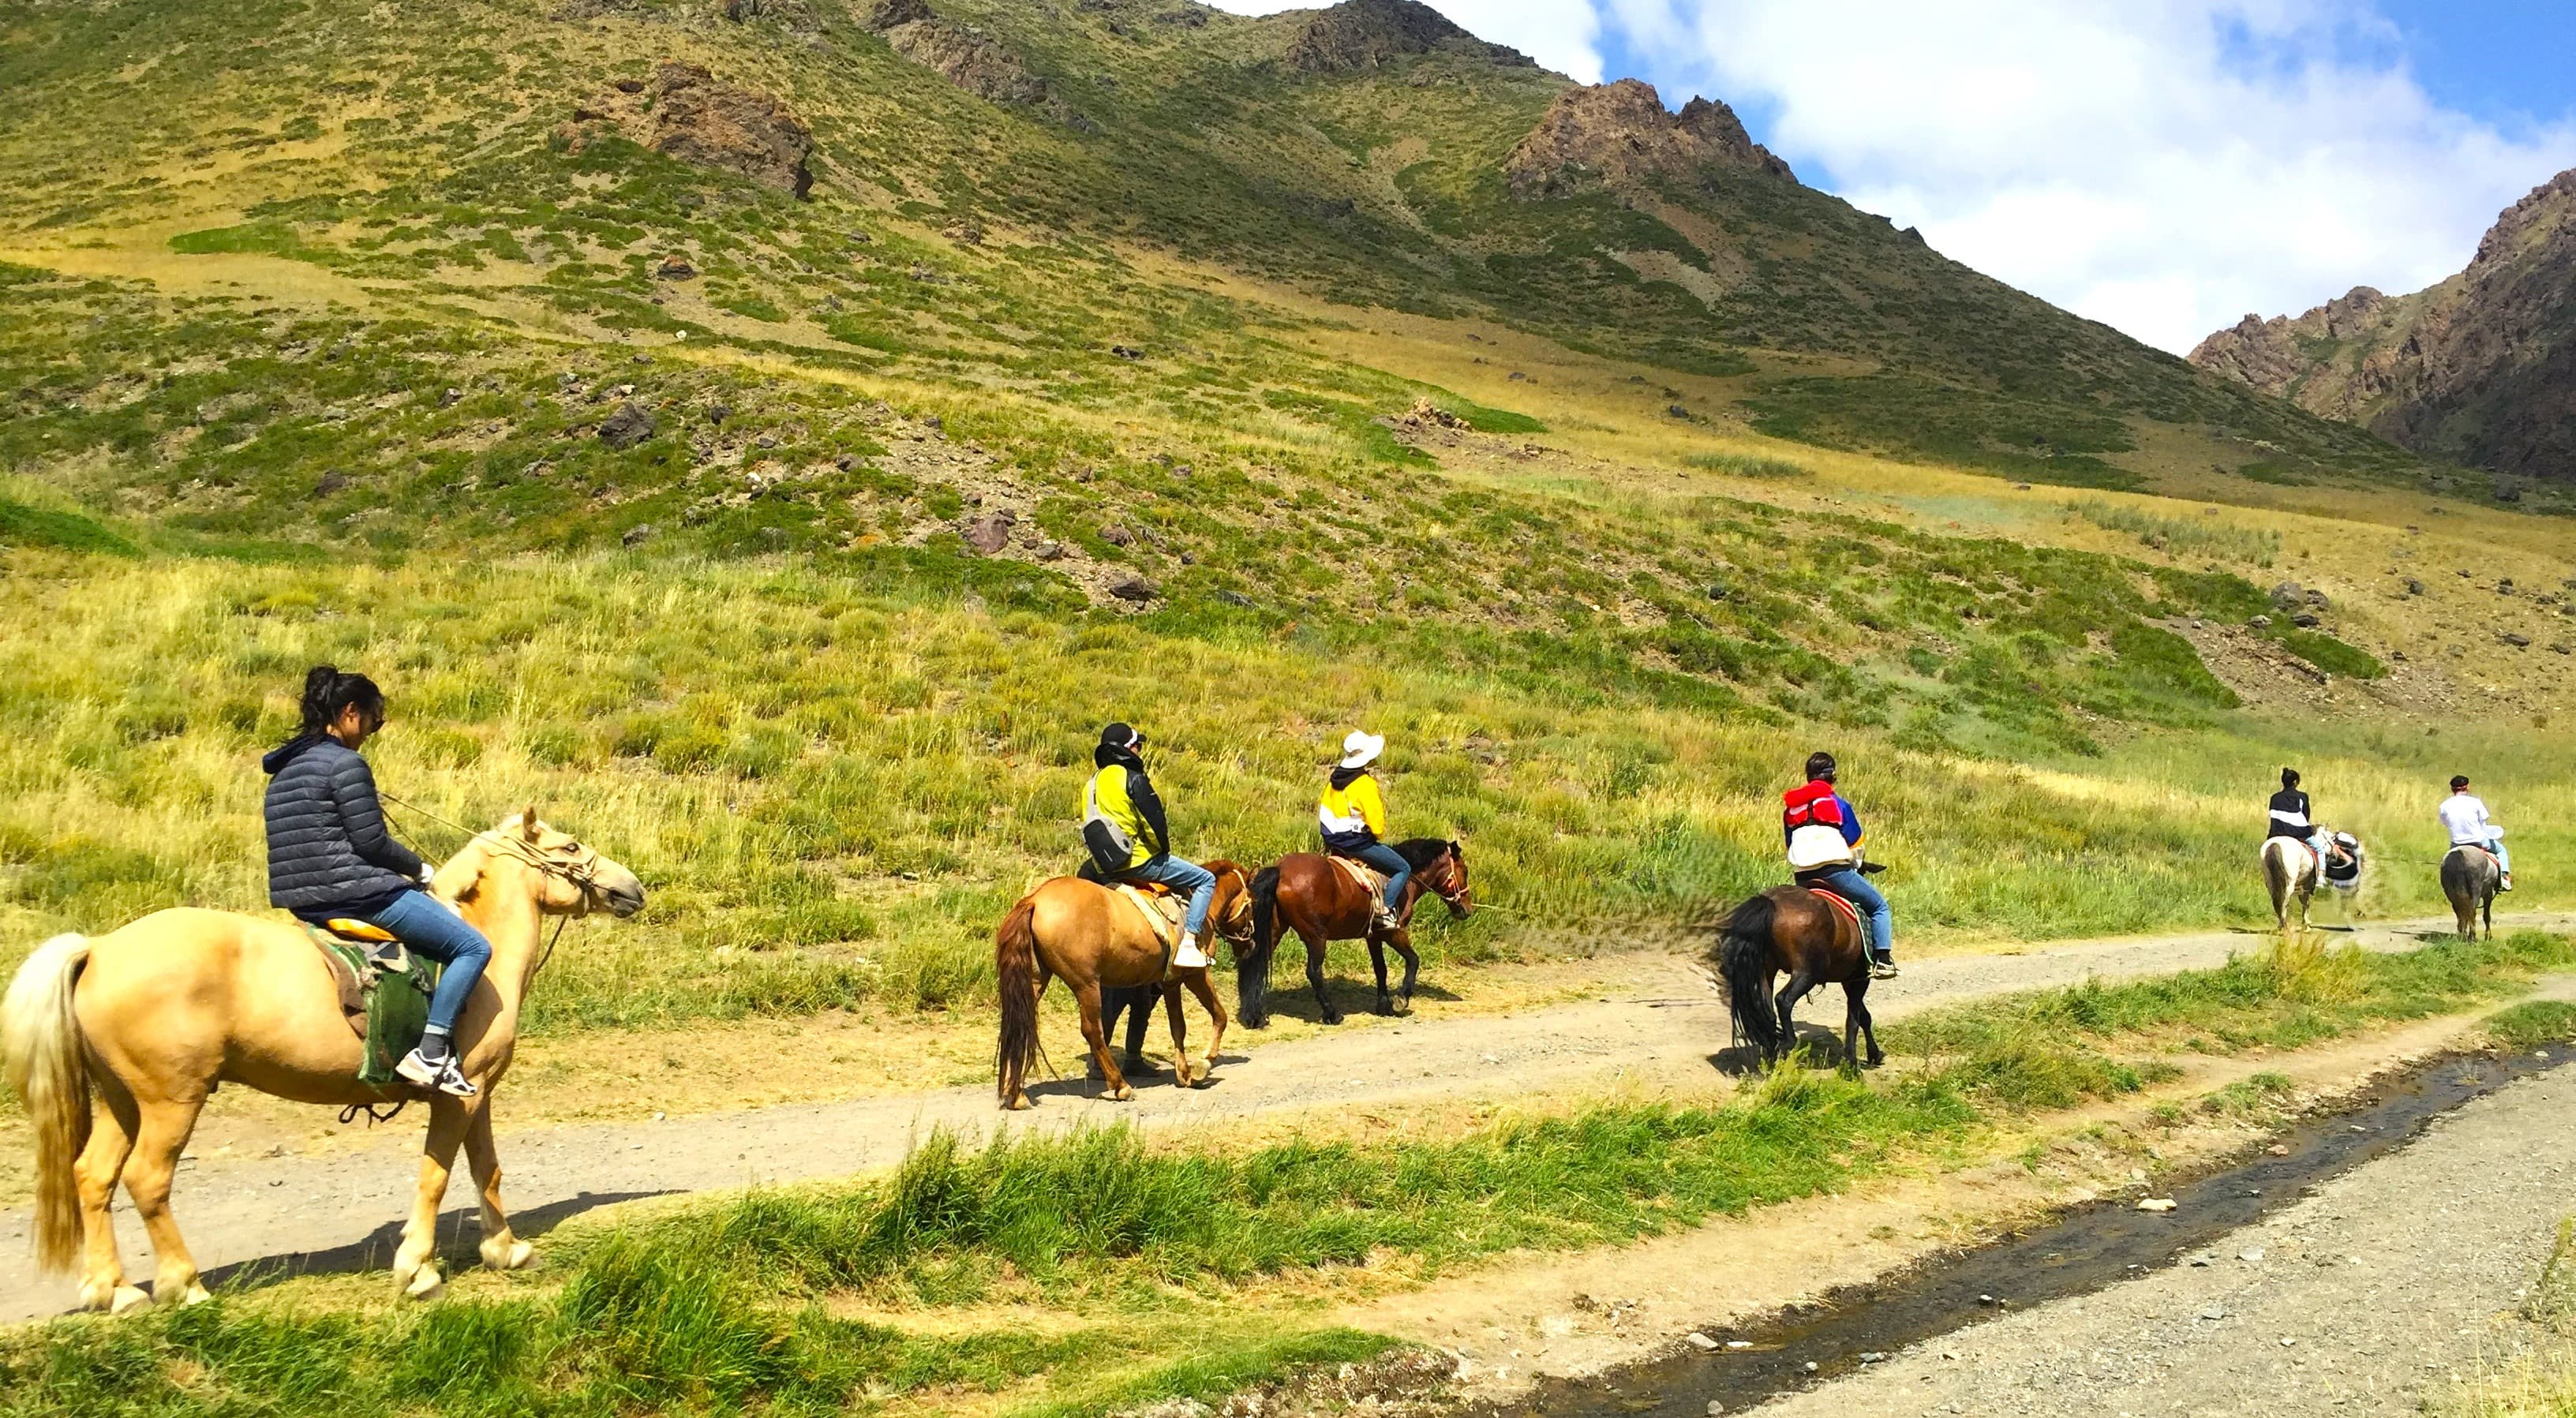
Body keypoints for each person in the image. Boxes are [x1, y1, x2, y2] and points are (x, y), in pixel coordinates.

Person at [263, 666, 490, 1097]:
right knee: (472, 946)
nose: (371, 732)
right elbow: (371, 842)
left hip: (304, 899)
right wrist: (419, 869)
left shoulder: (284, 771)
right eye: (373, 721)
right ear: (351, 712)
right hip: (357, 892)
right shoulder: (347, 763)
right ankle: (432, 1051)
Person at [1082, 722, 1215, 967]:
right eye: (1138, 746)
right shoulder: (1133, 778)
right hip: (1138, 860)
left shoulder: (1090, 783)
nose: (1139, 751)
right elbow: (1154, 824)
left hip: (1102, 866)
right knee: (1206, 880)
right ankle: (1189, 943)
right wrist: (1163, 852)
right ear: (1128, 749)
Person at [1784, 751, 1896, 978]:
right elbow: (1855, 840)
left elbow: (1789, 843)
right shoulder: (1839, 804)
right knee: (1879, 907)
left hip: (1802, 877)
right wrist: (1857, 862)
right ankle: (1883, 960)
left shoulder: (1791, 809)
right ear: (1832, 776)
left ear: (1808, 777)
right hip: (1835, 873)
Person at [1317, 730, 1406, 934]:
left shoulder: (1333, 782)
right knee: (1403, 868)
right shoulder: (1365, 784)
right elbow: (1377, 825)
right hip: (1356, 843)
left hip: (1332, 841)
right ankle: (1385, 912)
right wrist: (1376, 835)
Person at [2439, 774, 2511, 892]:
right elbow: (2483, 823)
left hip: (2456, 844)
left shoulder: (2444, 805)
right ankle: (2504, 878)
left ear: (2452, 789)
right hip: (2478, 841)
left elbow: (2445, 823)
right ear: (2467, 787)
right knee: (2501, 850)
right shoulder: (2475, 802)